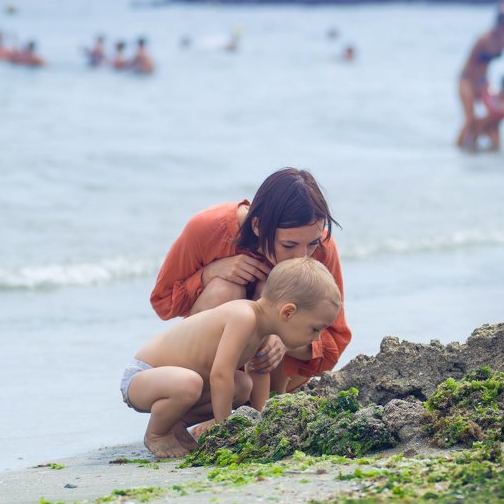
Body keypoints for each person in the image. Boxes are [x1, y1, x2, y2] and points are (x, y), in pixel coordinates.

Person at [150, 168, 351, 396]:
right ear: (257, 226)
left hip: (281, 378)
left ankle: (262, 408)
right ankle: (200, 400)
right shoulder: (209, 228)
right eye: (288, 245)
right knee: (225, 289)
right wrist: (208, 274)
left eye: (312, 243)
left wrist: (287, 337)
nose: (302, 256)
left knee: (273, 295)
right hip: (211, 374)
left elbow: (335, 341)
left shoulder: (324, 248)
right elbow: (163, 303)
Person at [123, 257, 342, 459]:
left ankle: (175, 423)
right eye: (315, 329)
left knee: (242, 385)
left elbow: (258, 372)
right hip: (144, 376)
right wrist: (225, 430)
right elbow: (220, 374)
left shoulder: (264, 331)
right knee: (191, 383)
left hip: (176, 386)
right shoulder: (244, 317)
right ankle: (156, 434)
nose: (316, 337)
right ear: (287, 312)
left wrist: (261, 422)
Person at [456, 10, 504, 149]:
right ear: (497, 25)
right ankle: (459, 149)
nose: (503, 31)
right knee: (469, 119)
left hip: (483, 81)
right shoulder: (484, 39)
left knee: (494, 116)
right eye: (502, 27)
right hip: (467, 80)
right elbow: (472, 63)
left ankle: (484, 142)